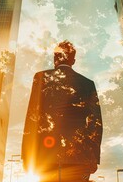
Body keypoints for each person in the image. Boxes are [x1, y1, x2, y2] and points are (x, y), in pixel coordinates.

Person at [22, 41, 103, 182]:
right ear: (73, 60)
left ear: (55, 58)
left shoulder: (41, 78)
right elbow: (95, 123)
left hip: (44, 157)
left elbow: (32, 117)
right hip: (78, 156)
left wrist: (27, 155)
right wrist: (93, 156)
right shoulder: (87, 84)